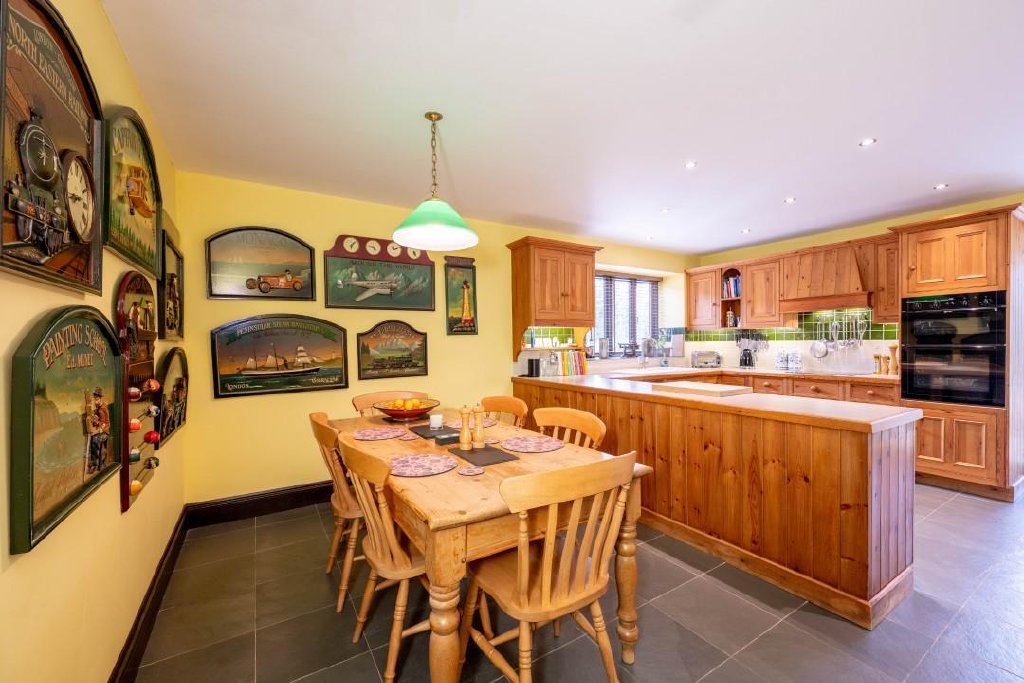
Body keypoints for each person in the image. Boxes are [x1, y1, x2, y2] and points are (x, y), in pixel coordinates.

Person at [86, 387, 110, 474]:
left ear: (100, 398)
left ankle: (96, 464)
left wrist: (101, 428)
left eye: (97, 399)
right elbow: (100, 420)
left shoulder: (104, 408)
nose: (95, 401)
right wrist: (96, 419)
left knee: (96, 439)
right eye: (94, 399)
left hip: (105, 432)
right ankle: (94, 462)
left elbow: (107, 423)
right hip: (99, 429)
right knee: (94, 437)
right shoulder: (98, 407)